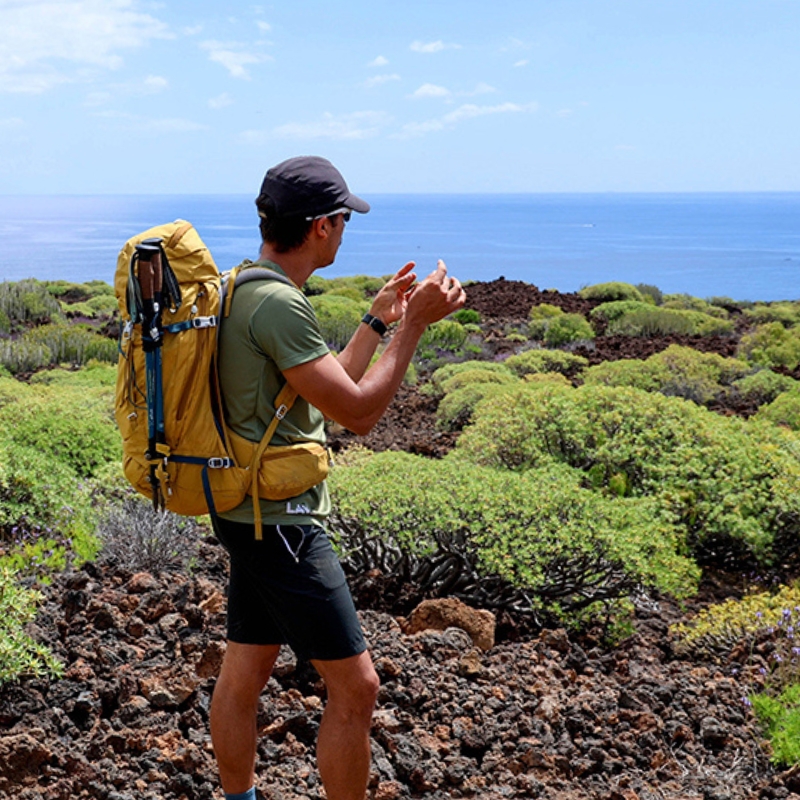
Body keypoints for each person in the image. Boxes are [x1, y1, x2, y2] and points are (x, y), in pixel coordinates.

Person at [208, 155, 466, 800]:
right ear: (321, 226)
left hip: (248, 511)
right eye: (344, 218)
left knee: (247, 670)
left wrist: (377, 319)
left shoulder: (245, 288)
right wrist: (413, 328)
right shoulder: (278, 307)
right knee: (357, 686)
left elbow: (330, 390)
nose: (347, 229)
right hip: (283, 524)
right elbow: (359, 413)